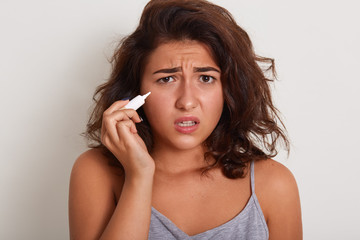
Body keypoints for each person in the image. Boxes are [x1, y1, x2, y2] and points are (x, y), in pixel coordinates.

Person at [68, 0, 302, 239]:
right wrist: (139, 176)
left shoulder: (274, 185)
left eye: (206, 78)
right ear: (135, 92)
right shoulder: (96, 172)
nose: (187, 101)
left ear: (229, 89)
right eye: (167, 79)